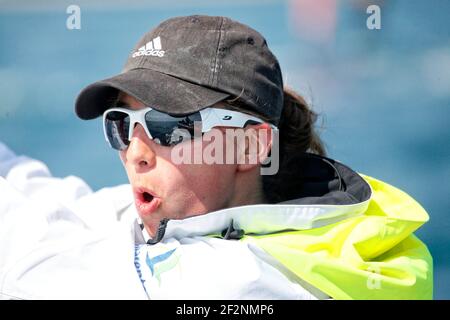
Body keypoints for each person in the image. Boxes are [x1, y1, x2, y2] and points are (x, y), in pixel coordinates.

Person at [0, 15, 432, 300]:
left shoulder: (240, 285)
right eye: (122, 123)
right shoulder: (288, 228)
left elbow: (30, 269)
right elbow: (47, 199)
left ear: (250, 146)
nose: (135, 152)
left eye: (167, 124)